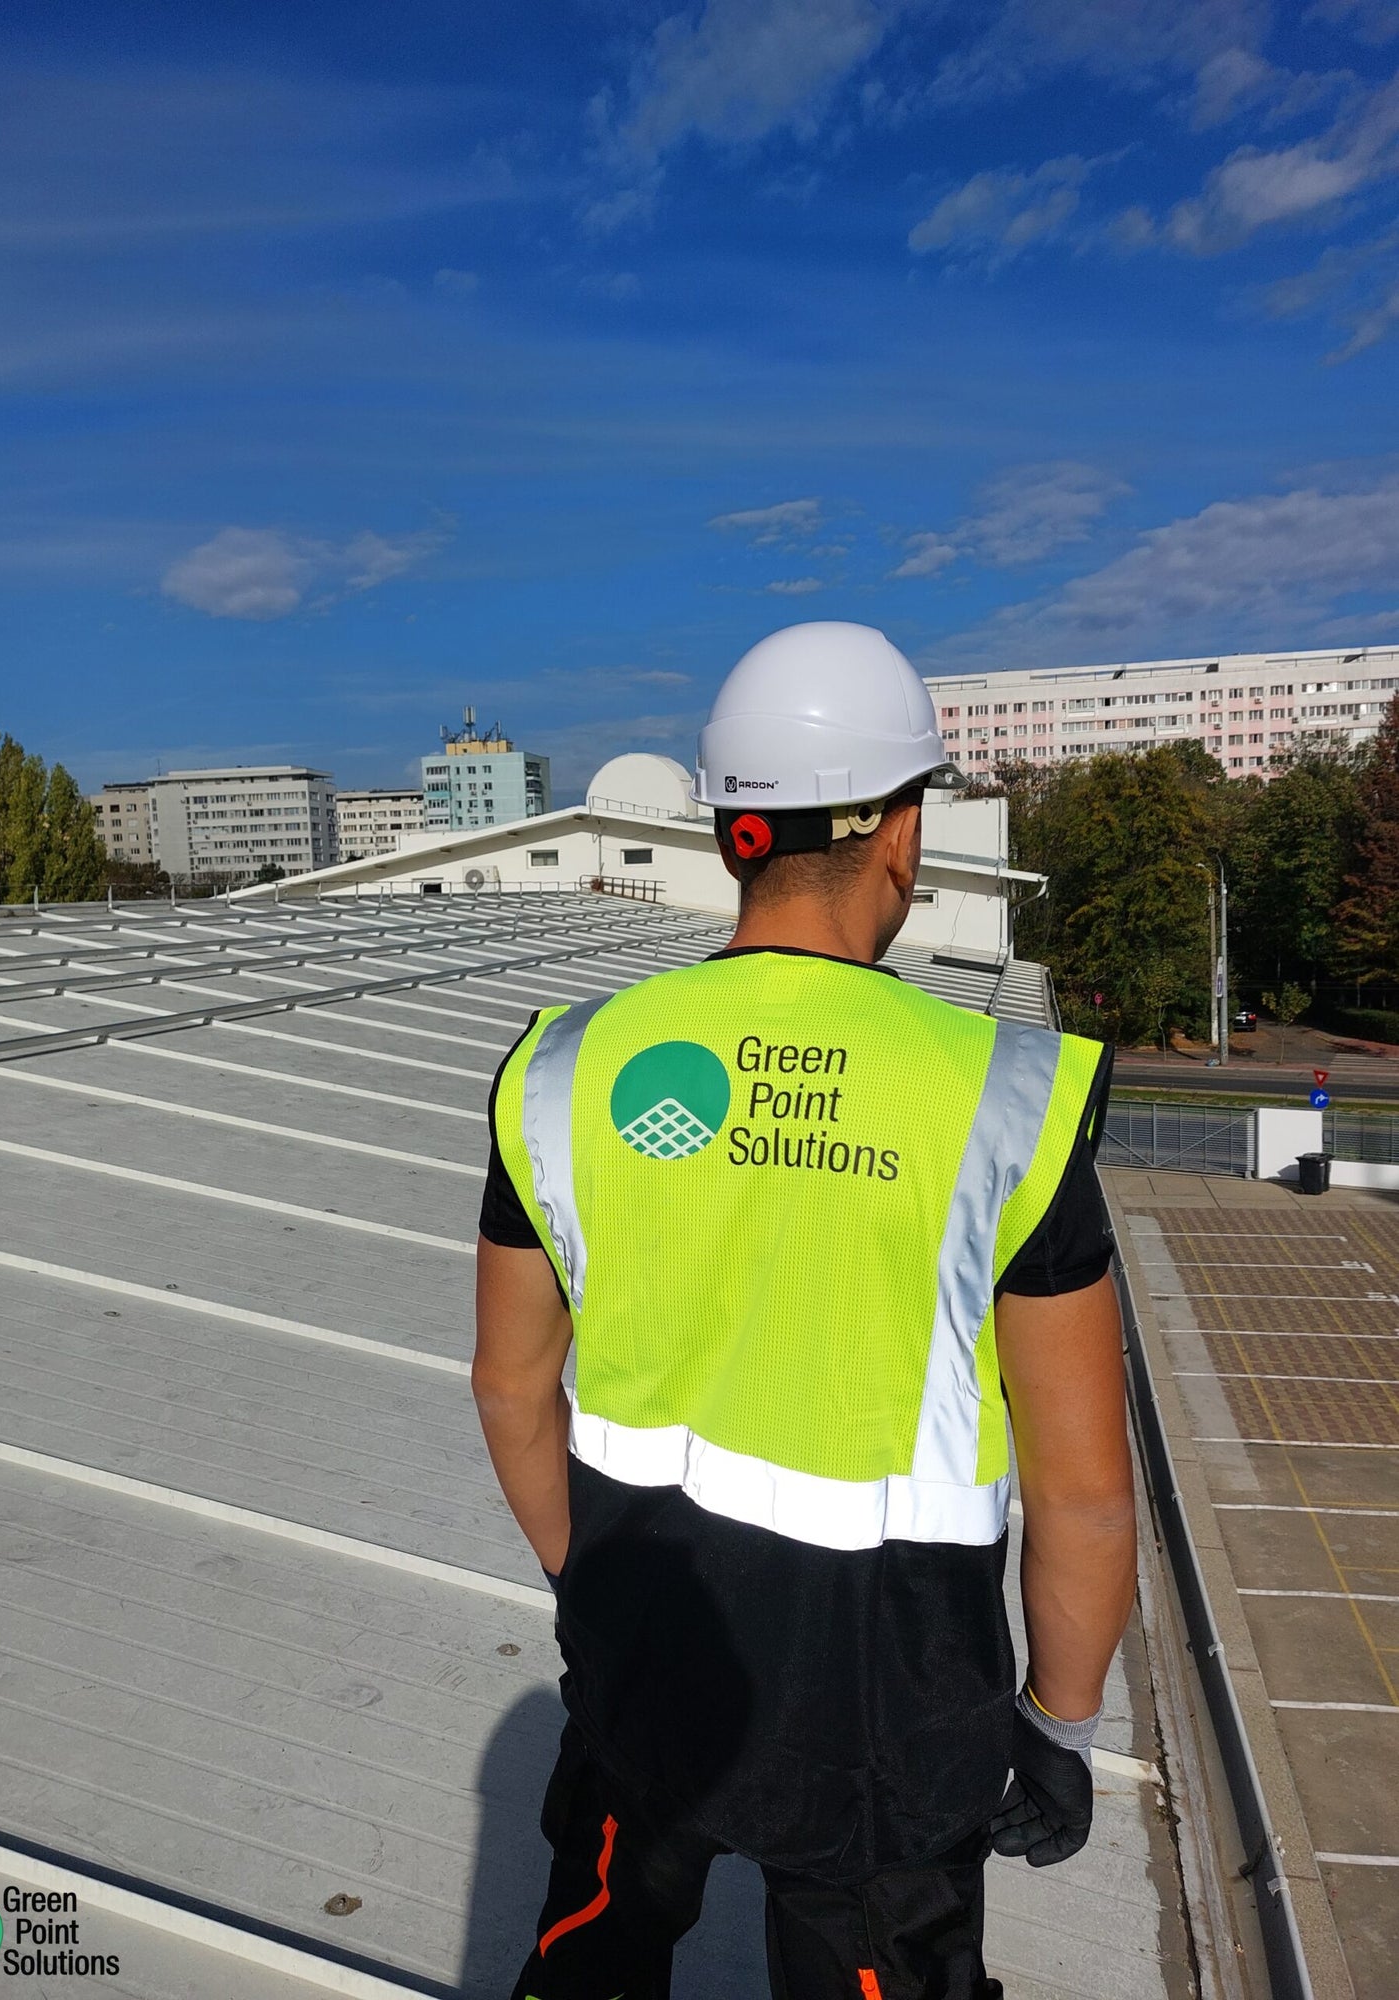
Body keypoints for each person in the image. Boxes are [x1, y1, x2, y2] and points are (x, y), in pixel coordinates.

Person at [472, 622, 1137, 2000]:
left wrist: (584, 1588)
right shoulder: (1003, 1101)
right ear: (901, 837)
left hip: (642, 1654)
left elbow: (508, 1386)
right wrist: (1060, 1726)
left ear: (730, 832)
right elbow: (1082, 1493)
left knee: (587, 1964)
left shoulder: (566, 1069)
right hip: (895, 1701)